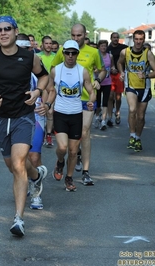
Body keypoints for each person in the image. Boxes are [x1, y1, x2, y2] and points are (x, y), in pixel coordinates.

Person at [0, 16, 49, 237]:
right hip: (0, 118)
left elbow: (43, 77)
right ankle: (36, 177)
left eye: (7, 29)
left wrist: (37, 92)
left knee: (18, 163)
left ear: (16, 32)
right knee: (13, 166)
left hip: (23, 116)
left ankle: (18, 219)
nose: (3, 33)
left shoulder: (29, 57)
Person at [51, 23, 106, 186]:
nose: (76, 38)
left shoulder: (94, 52)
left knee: (85, 131)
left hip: (86, 99)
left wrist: (97, 80)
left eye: (79, 35)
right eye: (73, 35)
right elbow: (54, 70)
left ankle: (86, 171)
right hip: (67, 100)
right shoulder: (66, 51)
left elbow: (103, 70)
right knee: (69, 143)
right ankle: (71, 156)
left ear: (85, 35)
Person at [16, 34, 56, 209]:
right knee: (16, 161)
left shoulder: (36, 65)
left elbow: (51, 89)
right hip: (14, 117)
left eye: (26, 49)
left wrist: (46, 105)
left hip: (35, 118)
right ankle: (29, 179)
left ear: (31, 49)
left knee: (33, 155)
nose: (21, 53)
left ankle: (36, 190)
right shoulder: (6, 66)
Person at [51, 40, 95, 191]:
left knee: (74, 151)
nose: (70, 56)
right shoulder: (56, 70)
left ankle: (69, 178)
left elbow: (91, 91)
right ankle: (59, 161)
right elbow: (49, 90)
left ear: (77, 54)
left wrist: (91, 101)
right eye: (67, 53)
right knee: (62, 147)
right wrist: (47, 105)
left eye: (73, 53)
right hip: (60, 113)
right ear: (63, 53)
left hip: (76, 114)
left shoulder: (82, 71)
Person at [117, 30, 155, 152]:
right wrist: (121, 72)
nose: (138, 41)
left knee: (140, 117)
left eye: (140, 39)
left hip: (145, 88)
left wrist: (146, 75)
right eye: (136, 39)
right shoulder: (125, 52)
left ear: (144, 40)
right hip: (131, 86)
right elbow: (119, 63)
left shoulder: (148, 54)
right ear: (133, 39)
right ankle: (131, 136)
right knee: (132, 109)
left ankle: (137, 138)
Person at [37, 35, 56, 146]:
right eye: (46, 43)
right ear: (42, 44)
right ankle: (41, 134)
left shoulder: (56, 56)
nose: (49, 45)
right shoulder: (37, 56)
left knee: (50, 112)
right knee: (42, 111)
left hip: (52, 87)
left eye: (50, 43)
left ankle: (48, 135)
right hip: (41, 88)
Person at [107, 32, 128, 125]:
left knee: (118, 97)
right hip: (110, 74)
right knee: (110, 96)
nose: (116, 39)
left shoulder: (123, 48)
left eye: (117, 37)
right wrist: (111, 69)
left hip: (120, 74)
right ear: (111, 38)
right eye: (114, 37)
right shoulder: (107, 49)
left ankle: (117, 112)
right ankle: (110, 117)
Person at [96, 40, 114, 130]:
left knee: (105, 102)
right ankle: (97, 117)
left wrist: (113, 69)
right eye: (102, 46)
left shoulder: (110, 56)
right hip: (98, 82)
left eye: (105, 46)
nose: (103, 47)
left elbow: (112, 67)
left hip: (107, 82)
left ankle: (103, 121)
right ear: (99, 47)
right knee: (98, 103)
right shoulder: (96, 56)